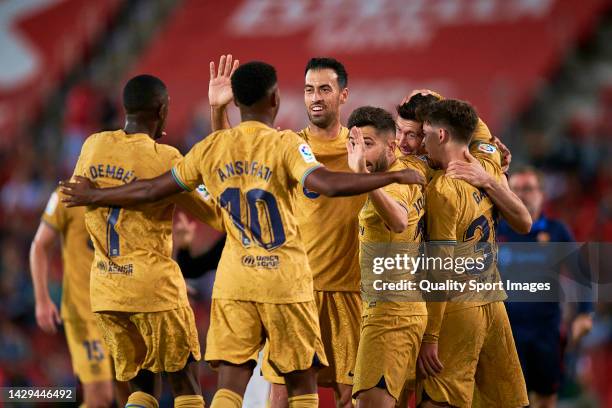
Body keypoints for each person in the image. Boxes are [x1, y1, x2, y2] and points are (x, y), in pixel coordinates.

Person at [60, 61, 424, 408]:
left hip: (234, 281)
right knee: (298, 383)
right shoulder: (286, 144)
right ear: (276, 100)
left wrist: (96, 195)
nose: (314, 96)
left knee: (229, 383)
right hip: (285, 281)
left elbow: (153, 189)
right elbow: (325, 183)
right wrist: (389, 176)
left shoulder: (208, 147)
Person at [60, 74, 226, 408]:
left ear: (127, 109)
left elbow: (80, 196)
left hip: (107, 290)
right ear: (162, 110)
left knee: (141, 388)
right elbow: (217, 213)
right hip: (152, 288)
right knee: (185, 385)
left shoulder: (93, 145)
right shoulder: (165, 158)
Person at [209, 55, 366, 408]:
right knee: (280, 396)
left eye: (325, 89)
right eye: (309, 89)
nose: (315, 98)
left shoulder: (360, 151)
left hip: (347, 293)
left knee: (349, 396)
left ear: (343, 95)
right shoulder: (287, 144)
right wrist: (219, 112)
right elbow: (229, 155)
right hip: (295, 294)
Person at [415, 99, 528, 408]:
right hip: (493, 303)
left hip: (459, 308)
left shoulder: (442, 190)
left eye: (424, 134)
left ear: (441, 135)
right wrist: (493, 180)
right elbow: (524, 222)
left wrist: (431, 336)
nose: (421, 143)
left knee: (440, 400)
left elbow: (441, 269)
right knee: (504, 400)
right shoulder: (487, 164)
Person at [345, 106, 427, 408]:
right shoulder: (409, 169)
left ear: (390, 147)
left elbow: (398, 220)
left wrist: (365, 178)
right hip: (403, 309)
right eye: (355, 144)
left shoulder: (390, 182)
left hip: (389, 316)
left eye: (368, 144)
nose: (360, 153)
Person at [30, 188, 129, 407]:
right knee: (100, 397)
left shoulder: (126, 188)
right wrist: (42, 300)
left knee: (130, 395)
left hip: (121, 313)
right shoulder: (67, 193)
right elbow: (39, 245)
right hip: (83, 313)